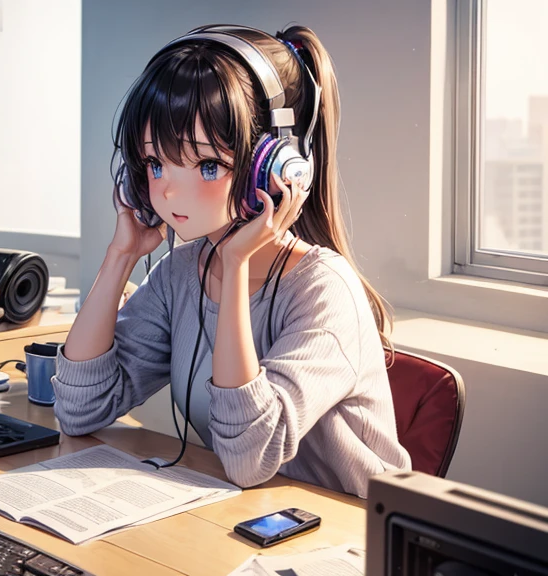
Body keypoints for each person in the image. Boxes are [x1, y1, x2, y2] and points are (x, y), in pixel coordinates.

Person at [51, 24, 410, 498]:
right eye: (156, 163)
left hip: (350, 541)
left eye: (206, 166)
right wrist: (120, 256)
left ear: (275, 166)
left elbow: (248, 458)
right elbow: (80, 409)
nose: (170, 190)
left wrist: (238, 261)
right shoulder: (182, 273)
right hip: (245, 522)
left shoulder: (325, 290)